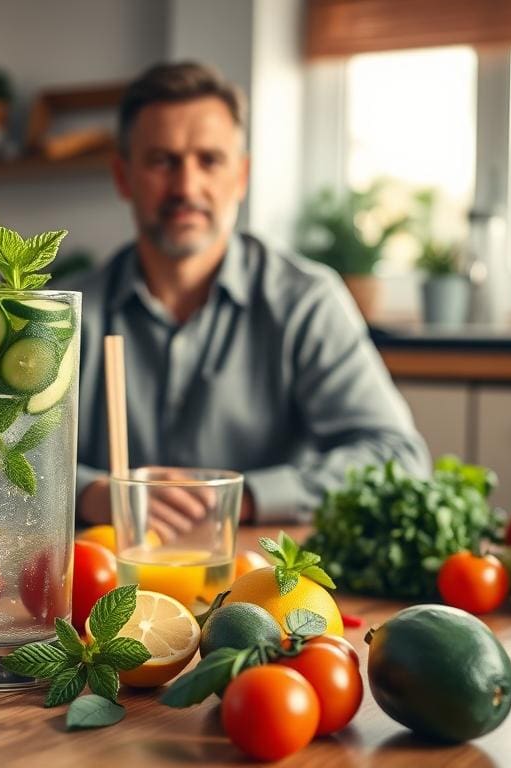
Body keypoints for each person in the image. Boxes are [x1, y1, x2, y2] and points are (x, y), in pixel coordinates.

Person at [65, 61, 430, 533]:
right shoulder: (62, 317)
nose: (186, 186)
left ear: (241, 175)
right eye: (162, 161)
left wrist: (248, 497)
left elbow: (397, 456)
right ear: (123, 176)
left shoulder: (305, 302)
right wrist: (88, 493)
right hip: (105, 574)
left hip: (261, 573)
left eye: (209, 160)